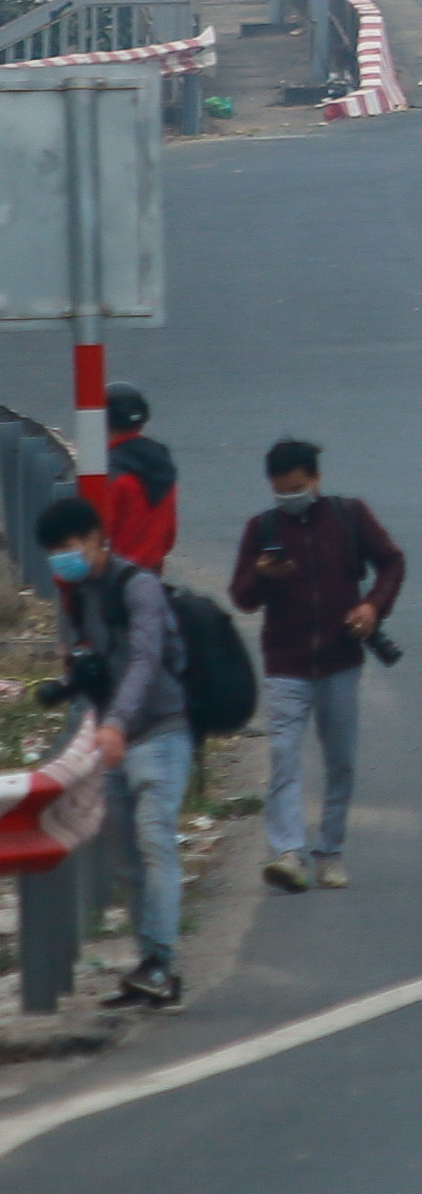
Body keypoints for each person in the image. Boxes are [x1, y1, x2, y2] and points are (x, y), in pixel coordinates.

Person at [33, 495, 189, 1008]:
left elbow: (146, 660)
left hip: (159, 731)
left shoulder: (137, 586)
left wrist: (117, 722)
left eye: (70, 546)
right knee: (128, 862)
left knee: (155, 841)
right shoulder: (79, 595)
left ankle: (160, 960)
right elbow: (97, 662)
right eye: (54, 551)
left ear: (98, 538)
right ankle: (152, 969)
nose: (63, 558)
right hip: (114, 740)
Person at [228, 439, 402, 895]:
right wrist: (262, 575)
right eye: (282, 490)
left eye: (299, 487)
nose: (290, 497)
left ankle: (330, 852)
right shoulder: (261, 528)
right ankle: (288, 852)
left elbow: (391, 562)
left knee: (340, 760)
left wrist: (372, 608)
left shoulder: (349, 516)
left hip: (341, 661)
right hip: (285, 663)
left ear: (317, 479)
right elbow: (242, 597)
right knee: (284, 755)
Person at [81, 383, 178, 576]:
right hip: (151, 576)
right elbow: (168, 536)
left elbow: (98, 537)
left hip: (113, 579)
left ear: (103, 421)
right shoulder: (164, 466)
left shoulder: (105, 472)